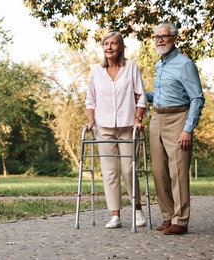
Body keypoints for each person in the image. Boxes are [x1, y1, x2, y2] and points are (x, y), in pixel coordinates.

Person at [146, 23, 205, 235]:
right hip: (157, 118)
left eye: (164, 36)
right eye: (157, 37)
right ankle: (167, 216)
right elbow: (162, 94)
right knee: (159, 172)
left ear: (174, 38)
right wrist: (144, 95)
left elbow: (197, 98)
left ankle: (180, 221)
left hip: (178, 118)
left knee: (178, 171)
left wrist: (188, 129)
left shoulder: (185, 64)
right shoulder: (159, 65)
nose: (159, 40)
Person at [85, 31, 147, 228]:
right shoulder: (96, 71)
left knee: (129, 169)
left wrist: (138, 119)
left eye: (113, 43)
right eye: (105, 44)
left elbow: (141, 96)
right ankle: (115, 215)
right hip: (104, 127)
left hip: (128, 126)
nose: (109, 47)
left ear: (121, 47)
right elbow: (90, 100)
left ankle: (137, 209)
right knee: (110, 172)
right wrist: (91, 121)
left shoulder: (131, 68)